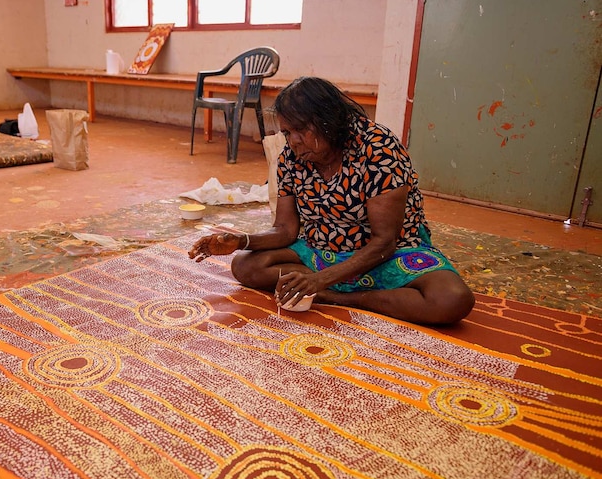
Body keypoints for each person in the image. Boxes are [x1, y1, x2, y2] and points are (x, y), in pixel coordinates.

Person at [189, 76, 475, 325]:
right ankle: (362, 293)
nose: (293, 141)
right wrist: (241, 241)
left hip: (385, 254)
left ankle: (345, 298)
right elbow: (286, 231)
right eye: (287, 133)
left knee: (452, 300)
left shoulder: (378, 149)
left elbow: (384, 242)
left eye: (300, 130)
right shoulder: (291, 158)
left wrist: (320, 282)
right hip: (322, 249)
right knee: (244, 265)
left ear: (328, 121)